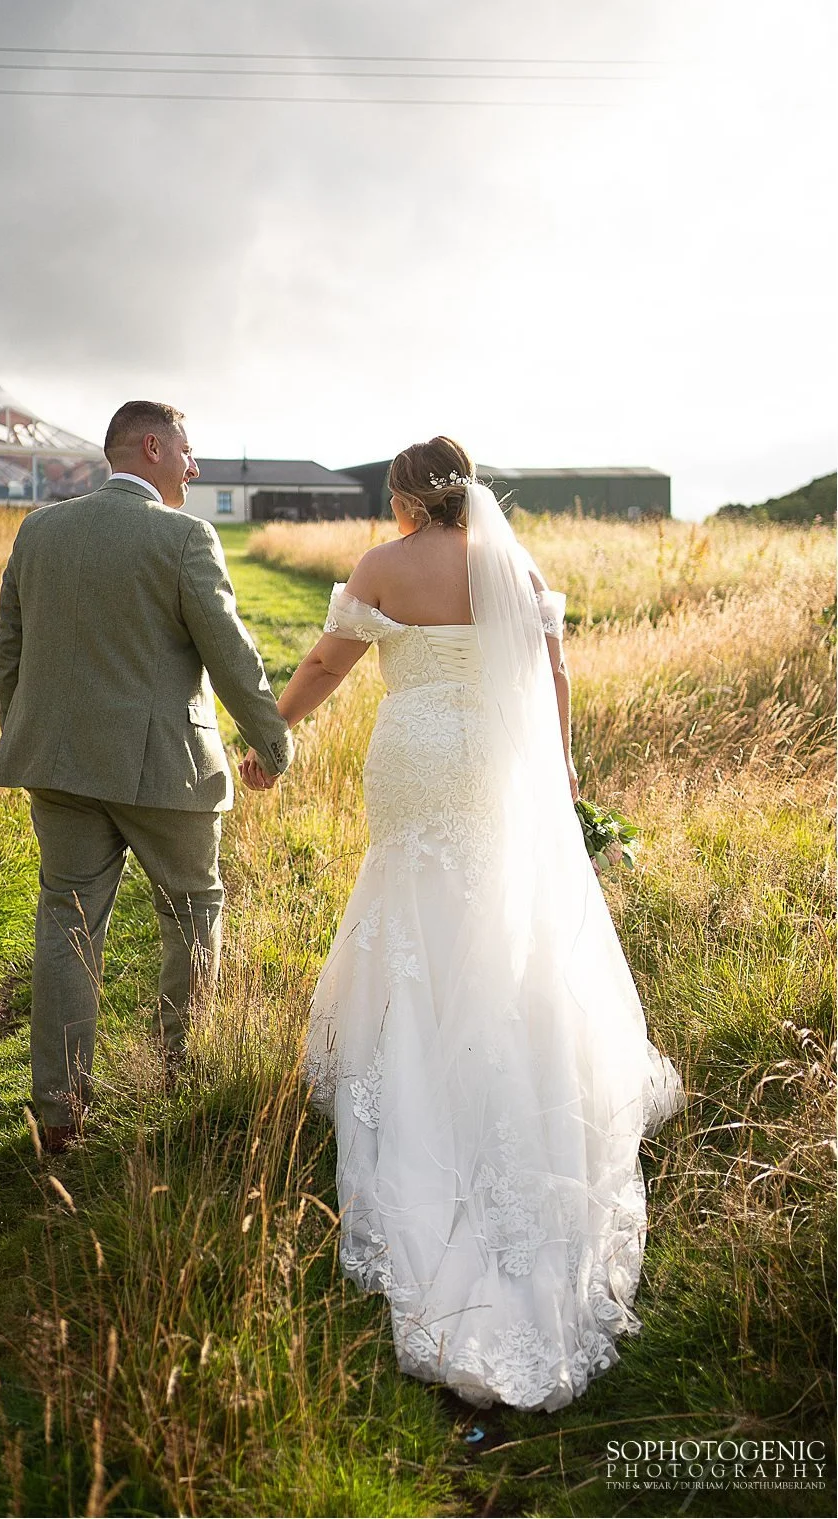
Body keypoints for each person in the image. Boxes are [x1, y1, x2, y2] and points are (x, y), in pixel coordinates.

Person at [240, 436, 684, 1412]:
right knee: (492, 899)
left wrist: (272, 732)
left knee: (411, 894)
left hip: (416, 756)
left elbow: (327, 660)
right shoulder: (515, 566)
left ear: (405, 495)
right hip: (492, 760)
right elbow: (553, 675)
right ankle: (507, 1058)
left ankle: (416, 1066)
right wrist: (560, 769)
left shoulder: (384, 564)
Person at [0, 401, 292, 1152]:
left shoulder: (38, 530)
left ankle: (59, 1112)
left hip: (58, 766)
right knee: (193, 912)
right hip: (168, 773)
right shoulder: (185, 536)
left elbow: (8, 650)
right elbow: (231, 655)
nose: (195, 467)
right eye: (188, 451)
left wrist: (31, 737)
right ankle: (178, 1077)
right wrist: (273, 742)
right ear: (153, 447)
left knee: (67, 921)